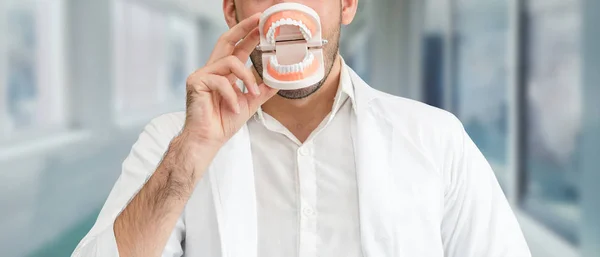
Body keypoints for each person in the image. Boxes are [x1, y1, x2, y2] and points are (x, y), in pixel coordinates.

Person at [72, 0, 531, 256]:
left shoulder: (436, 141)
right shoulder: (172, 144)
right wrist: (191, 152)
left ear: (346, 4)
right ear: (232, 10)